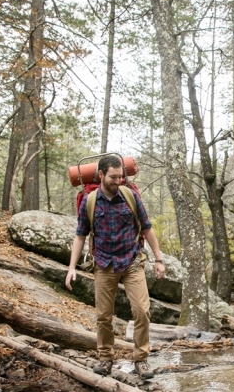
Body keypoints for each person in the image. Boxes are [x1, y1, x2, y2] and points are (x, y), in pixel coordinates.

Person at [65, 155, 166, 380]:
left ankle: (141, 359)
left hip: (131, 261)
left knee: (142, 311)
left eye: (121, 177)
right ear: (101, 175)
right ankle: (106, 359)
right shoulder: (89, 201)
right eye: (113, 177)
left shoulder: (130, 196)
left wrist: (158, 259)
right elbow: (80, 235)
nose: (118, 181)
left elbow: (147, 228)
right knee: (103, 316)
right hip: (103, 264)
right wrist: (72, 267)